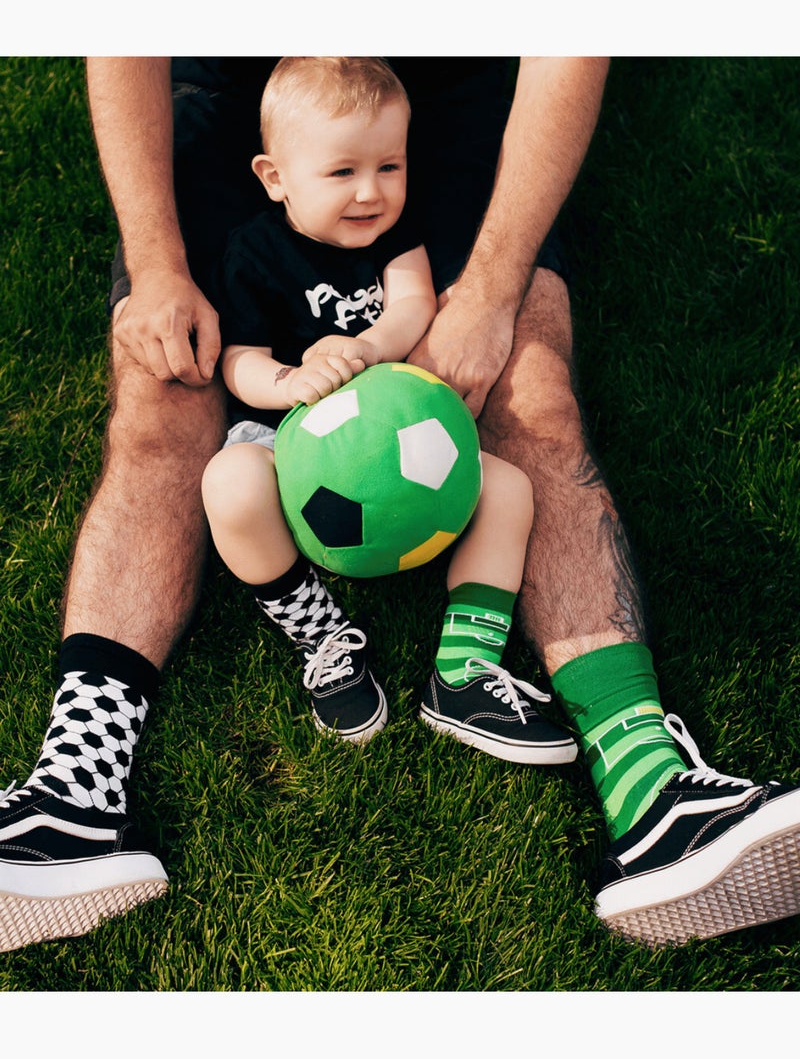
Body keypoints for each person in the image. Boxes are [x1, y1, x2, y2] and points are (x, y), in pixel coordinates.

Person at [1, 56, 799, 954]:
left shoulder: (397, 192)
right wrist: (156, 267)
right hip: (235, 95)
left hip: (440, 94)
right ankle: (74, 794)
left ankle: (651, 792)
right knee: (162, 399)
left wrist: (491, 293)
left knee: (529, 398)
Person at [201, 57, 578, 761]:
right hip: (292, 434)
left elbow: (412, 306)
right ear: (275, 177)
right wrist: (288, 381)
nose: (370, 193)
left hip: (404, 429)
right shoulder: (253, 253)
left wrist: (369, 349)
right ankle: (320, 635)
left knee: (509, 488)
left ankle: (464, 667)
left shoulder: (396, 237)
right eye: (342, 173)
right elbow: (237, 358)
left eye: (389, 167)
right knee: (228, 485)